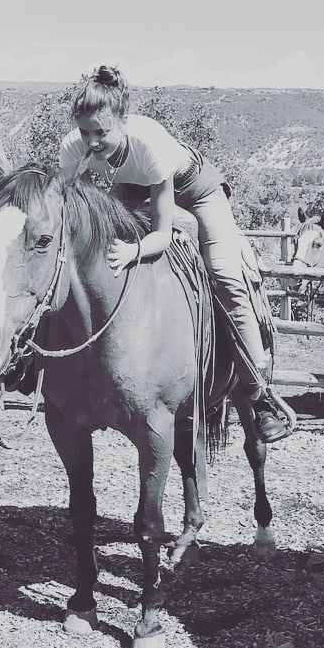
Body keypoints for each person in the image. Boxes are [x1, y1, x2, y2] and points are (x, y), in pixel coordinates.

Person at [58, 65, 294, 443]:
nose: (93, 141)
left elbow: (163, 233)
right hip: (134, 192)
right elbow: (83, 212)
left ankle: (259, 390)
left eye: (102, 132)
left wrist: (133, 250)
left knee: (225, 275)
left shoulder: (149, 144)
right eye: (86, 132)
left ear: (123, 120)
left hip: (195, 190)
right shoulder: (74, 147)